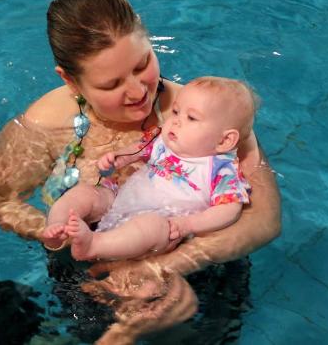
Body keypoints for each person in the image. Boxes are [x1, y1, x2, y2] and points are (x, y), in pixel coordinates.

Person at [0, 0, 280, 343]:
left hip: (197, 268)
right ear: (70, 81)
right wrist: (56, 233)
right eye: (112, 84)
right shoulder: (46, 122)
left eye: (142, 64)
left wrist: (160, 268)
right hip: (91, 270)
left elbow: (265, 219)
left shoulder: (207, 114)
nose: (138, 91)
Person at [44, 76, 256, 261]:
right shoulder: (163, 139)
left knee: (151, 227)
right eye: (175, 111)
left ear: (225, 140)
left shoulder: (221, 169)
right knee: (85, 193)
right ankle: (56, 227)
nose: (176, 122)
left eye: (191, 118)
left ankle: (94, 245)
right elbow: (139, 148)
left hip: (163, 221)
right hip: (120, 200)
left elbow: (229, 210)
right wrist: (119, 158)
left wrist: (188, 225)